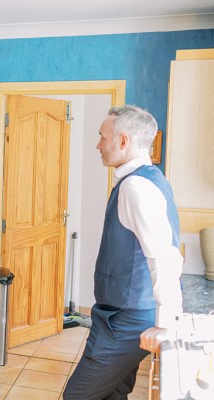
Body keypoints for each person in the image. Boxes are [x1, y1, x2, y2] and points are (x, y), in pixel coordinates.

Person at [63, 105, 183, 399]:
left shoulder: (136, 188)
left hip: (126, 320)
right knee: (113, 395)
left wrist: (166, 324)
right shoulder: (148, 178)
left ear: (123, 141)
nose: (98, 144)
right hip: (120, 314)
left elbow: (164, 257)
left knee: (76, 396)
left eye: (102, 137)